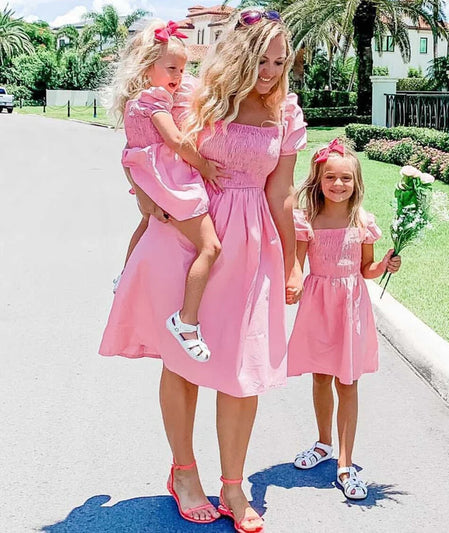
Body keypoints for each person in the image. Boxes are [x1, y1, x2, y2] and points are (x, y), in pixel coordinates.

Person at [100, 8, 305, 531]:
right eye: (261, 59)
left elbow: (280, 193)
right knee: (184, 360)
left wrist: (295, 263)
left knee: (243, 370)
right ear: (238, 54)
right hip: (189, 236)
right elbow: (143, 150)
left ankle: (234, 487)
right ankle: (184, 472)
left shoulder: (287, 113)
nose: (271, 71)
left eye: (280, 61)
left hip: (253, 240)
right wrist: (155, 209)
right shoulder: (191, 96)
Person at [287, 139, 401, 500]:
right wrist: (291, 282)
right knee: (321, 376)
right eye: (331, 177)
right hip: (318, 305)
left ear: (356, 182)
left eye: (346, 179)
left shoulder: (362, 220)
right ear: (318, 180)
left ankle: (345, 462)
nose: (338, 185)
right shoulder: (307, 219)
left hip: (350, 306)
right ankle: (322, 443)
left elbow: (367, 269)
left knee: (347, 381)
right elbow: (297, 265)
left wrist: (383, 265)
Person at [110, 20, 229, 362]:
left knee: (146, 225)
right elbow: (174, 140)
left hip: (149, 177)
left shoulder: (139, 98)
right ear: (148, 69)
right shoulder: (156, 98)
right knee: (210, 246)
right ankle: (186, 321)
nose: (179, 75)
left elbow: (131, 150)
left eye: (184, 67)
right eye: (172, 68)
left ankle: (125, 275)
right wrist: (204, 165)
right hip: (169, 180)